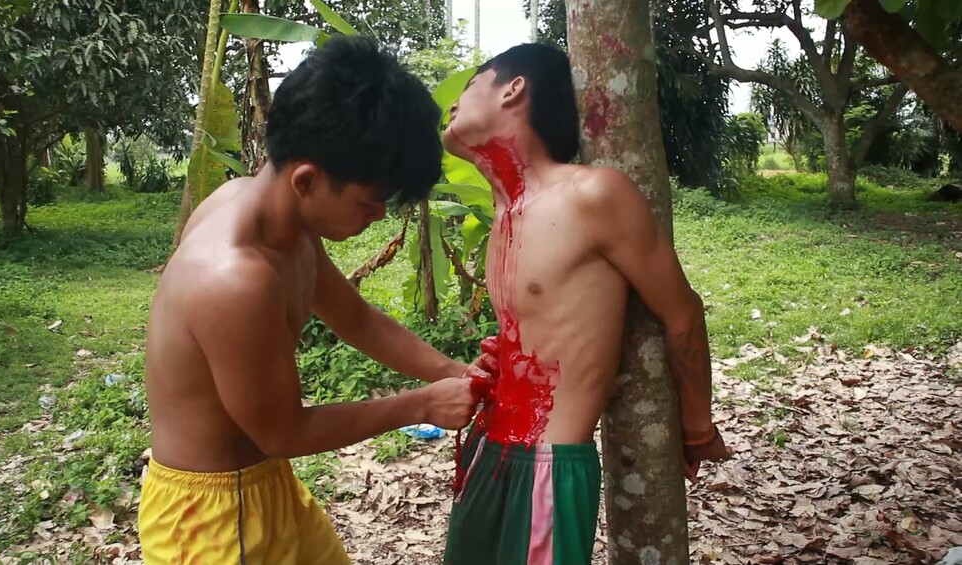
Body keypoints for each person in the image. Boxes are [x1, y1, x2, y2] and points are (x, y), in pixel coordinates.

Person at [137, 35, 495, 565]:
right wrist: (420, 404)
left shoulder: (282, 223)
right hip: (215, 521)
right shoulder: (235, 279)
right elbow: (283, 431)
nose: (378, 216)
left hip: (263, 486)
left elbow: (355, 318)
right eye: (371, 201)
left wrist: (454, 372)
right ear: (307, 179)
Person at [441, 43, 733, 565]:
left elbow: (682, 313)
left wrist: (697, 430)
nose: (452, 104)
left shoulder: (593, 194)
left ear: (513, 89)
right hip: (486, 450)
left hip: (546, 467)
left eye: (469, 86)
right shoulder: (505, 213)